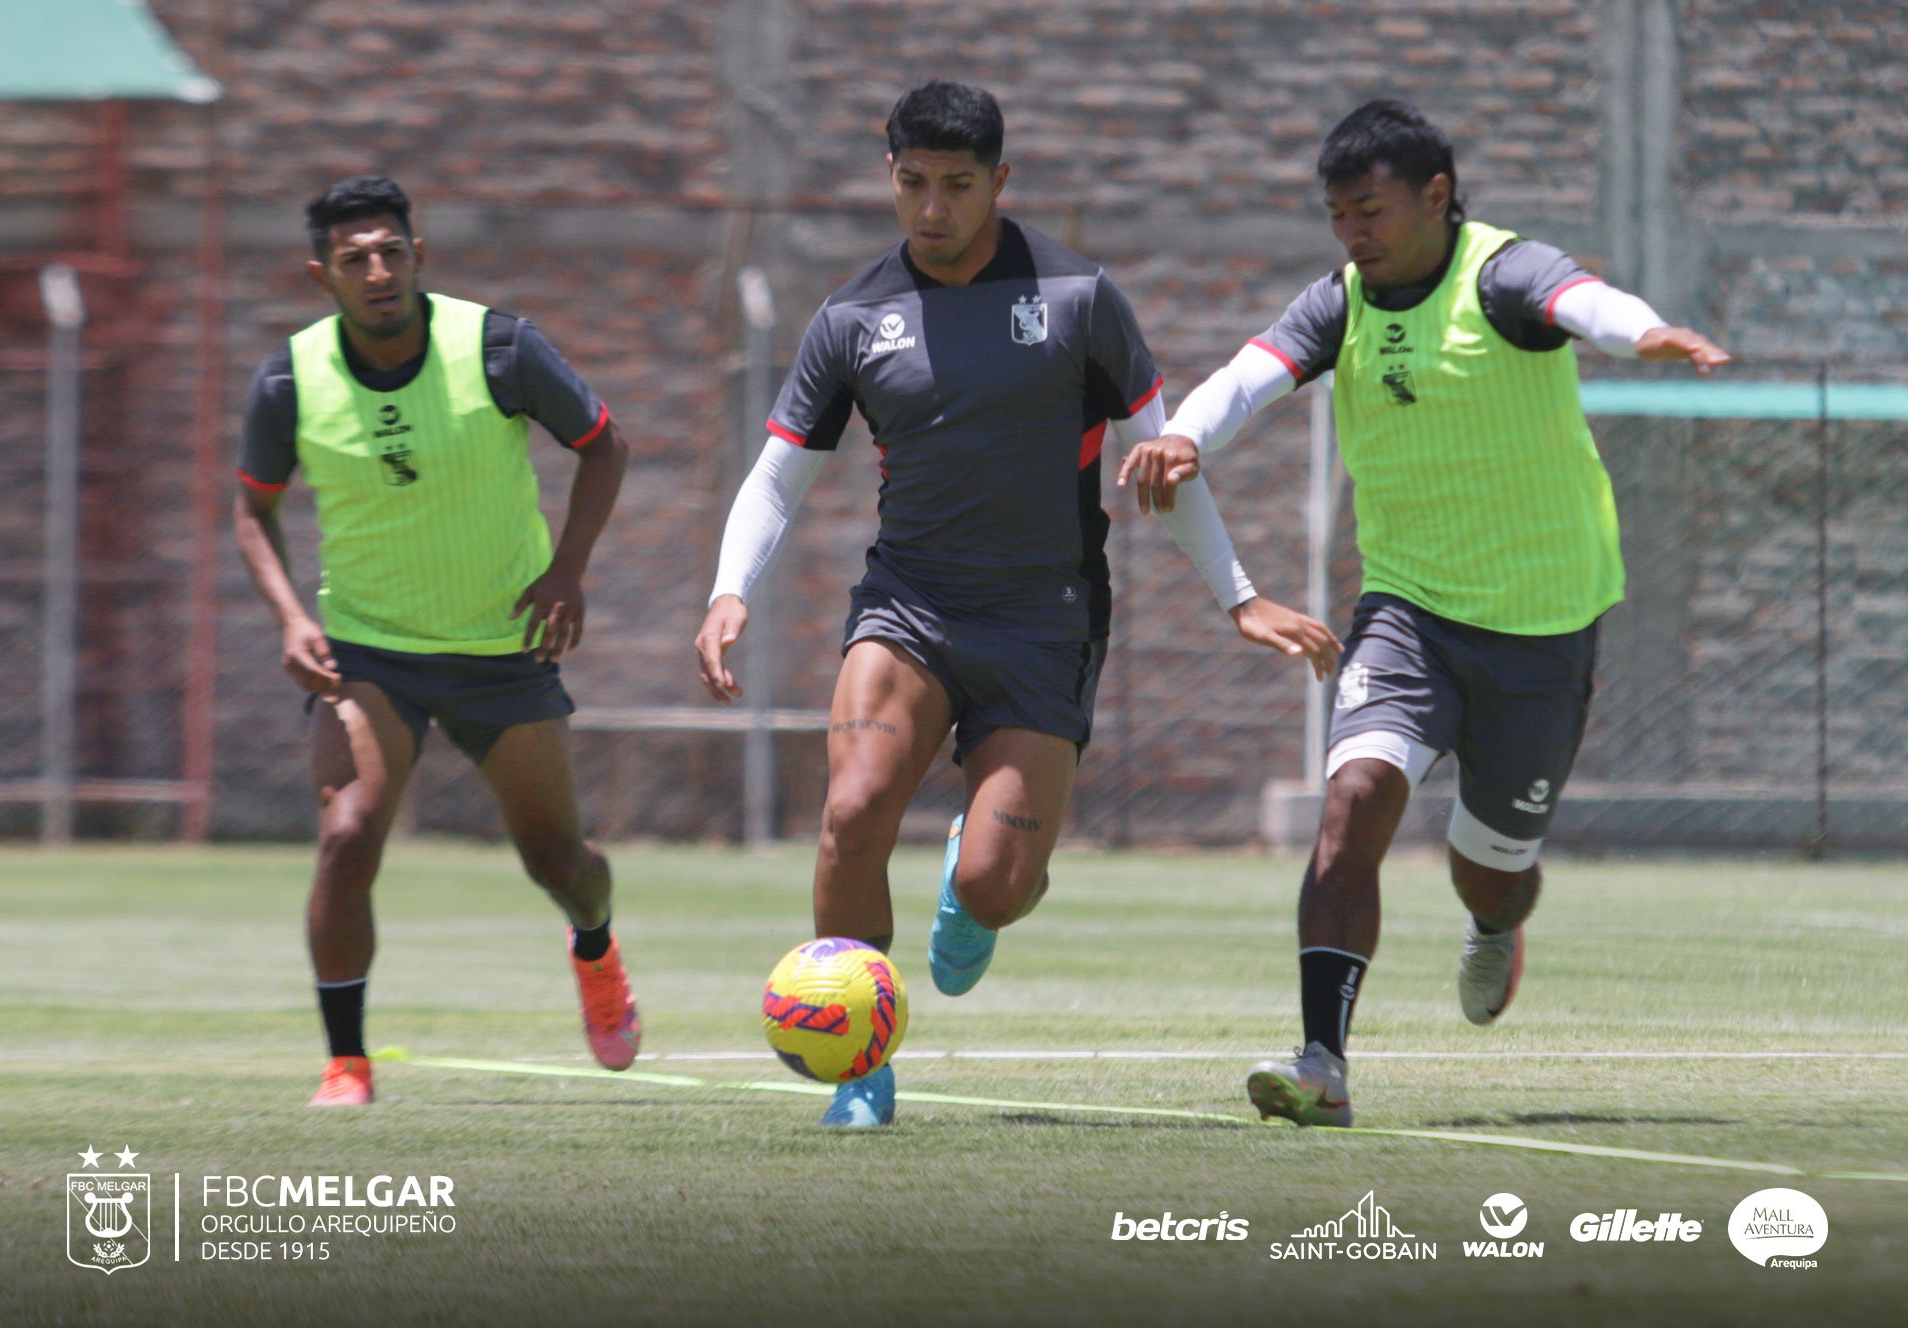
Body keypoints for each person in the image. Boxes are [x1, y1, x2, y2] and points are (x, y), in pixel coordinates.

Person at [694, 81, 1337, 1129]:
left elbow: (1160, 464)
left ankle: (972, 879)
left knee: (997, 890)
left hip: (1046, 620)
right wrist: (730, 592)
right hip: (908, 606)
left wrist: (1240, 596)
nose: (933, 210)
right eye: (912, 185)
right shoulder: (853, 315)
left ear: (1002, 180)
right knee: (851, 809)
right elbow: (777, 477)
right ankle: (861, 1072)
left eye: (958, 186)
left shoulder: (1079, 300)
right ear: (889, 178)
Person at [1119, 100, 1730, 1127]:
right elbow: (1251, 374)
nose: (1354, 235)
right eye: (1338, 217)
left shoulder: (1502, 274)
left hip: (1543, 623)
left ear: (1436, 197)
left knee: (1490, 875)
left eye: (1371, 211)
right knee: (1354, 798)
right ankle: (1323, 1063)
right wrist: (1184, 436)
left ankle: (1497, 923)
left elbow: (1582, 300)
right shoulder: (1340, 303)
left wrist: (1648, 333)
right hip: (1408, 613)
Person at [234, 174, 637, 1106]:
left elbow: (605, 446)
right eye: (354, 260)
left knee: (560, 865)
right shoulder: (290, 379)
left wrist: (568, 569)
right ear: (320, 276)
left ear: (420, 257)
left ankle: (597, 949)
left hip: (502, 650)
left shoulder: (498, 346)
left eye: (391, 252)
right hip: (368, 652)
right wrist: (293, 618)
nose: (377, 271)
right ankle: (347, 1062)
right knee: (345, 835)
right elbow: (253, 513)